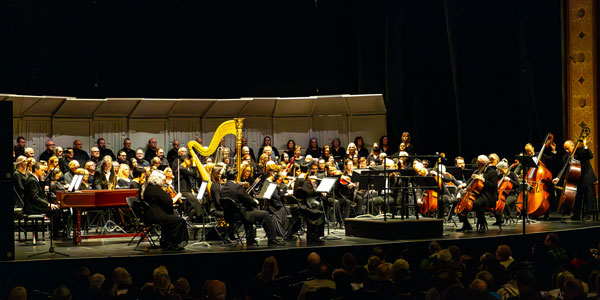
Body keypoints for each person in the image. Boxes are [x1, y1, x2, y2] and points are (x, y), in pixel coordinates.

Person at [216, 171, 285, 246]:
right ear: (236, 177)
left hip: (229, 215)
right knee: (265, 214)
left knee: (250, 212)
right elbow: (248, 201)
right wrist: (255, 201)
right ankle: (272, 239)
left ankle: (251, 239)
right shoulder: (237, 187)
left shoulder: (223, 188)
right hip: (241, 215)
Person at [553, 138, 597, 221]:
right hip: (577, 179)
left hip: (586, 176)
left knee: (587, 189)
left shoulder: (580, 151)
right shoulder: (566, 158)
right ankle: (576, 214)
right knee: (576, 194)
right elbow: (564, 169)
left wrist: (585, 146)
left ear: (573, 146)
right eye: (565, 149)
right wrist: (558, 178)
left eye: (567, 148)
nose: (566, 151)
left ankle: (589, 213)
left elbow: (590, 155)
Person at [142, 171, 188, 250]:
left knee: (173, 218)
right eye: (163, 180)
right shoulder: (156, 190)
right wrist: (177, 196)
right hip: (156, 216)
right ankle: (174, 243)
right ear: (157, 180)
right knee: (179, 220)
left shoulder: (148, 188)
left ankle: (166, 241)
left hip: (150, 215)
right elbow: (169, 202)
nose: (165, 182)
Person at [458, 155, 498, 232]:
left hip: (488, 196)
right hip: (477, 195)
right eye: (477, 163)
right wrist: (464, 184)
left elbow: (492, 186)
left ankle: (482, 224)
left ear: (484, 164)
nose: (477, 165)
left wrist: (482, 179)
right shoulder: (477, 171)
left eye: (479, 164)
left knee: (476, 203)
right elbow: (469, 181)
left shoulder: (492, 172)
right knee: (459, 202)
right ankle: (466, 224)